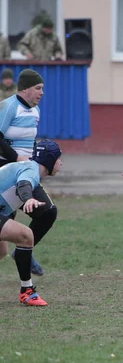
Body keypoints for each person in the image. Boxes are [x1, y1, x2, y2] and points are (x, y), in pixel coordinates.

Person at [0, 69, 57, 276]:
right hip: (6, 172)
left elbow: (28, 142)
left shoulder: (35, 110)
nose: (41, 93)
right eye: (38, 88)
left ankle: (25, 251)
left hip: (25, 172)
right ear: (25, 88)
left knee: (48, 212)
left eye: (42, 88)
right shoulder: (8, 107)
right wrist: (16, 158)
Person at [0, 139, 63, 306]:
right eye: (59, 159)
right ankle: (27, 292)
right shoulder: (31, 169)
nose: (61, 163)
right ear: (51, 160)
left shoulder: (27, 166)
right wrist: (28, 199)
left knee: (1, 251)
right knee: (25, 235)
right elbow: (23, 184)